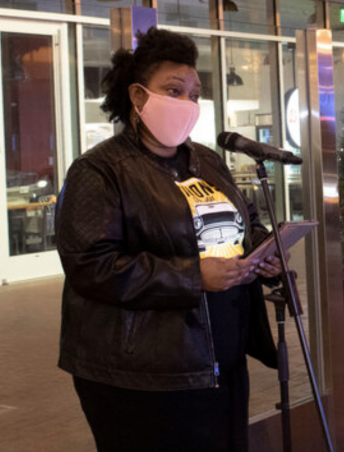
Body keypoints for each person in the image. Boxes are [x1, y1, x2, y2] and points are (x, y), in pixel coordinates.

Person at [56, 27, 283, 452]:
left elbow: (242, 222)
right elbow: (92, 267)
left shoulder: (207, 161)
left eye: (194, 94)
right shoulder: (100, 171)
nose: (187, 104)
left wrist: (262, 250)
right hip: (142, 373)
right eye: (173, 90)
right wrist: (193, 277)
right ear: (138, 97)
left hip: (220, 359)